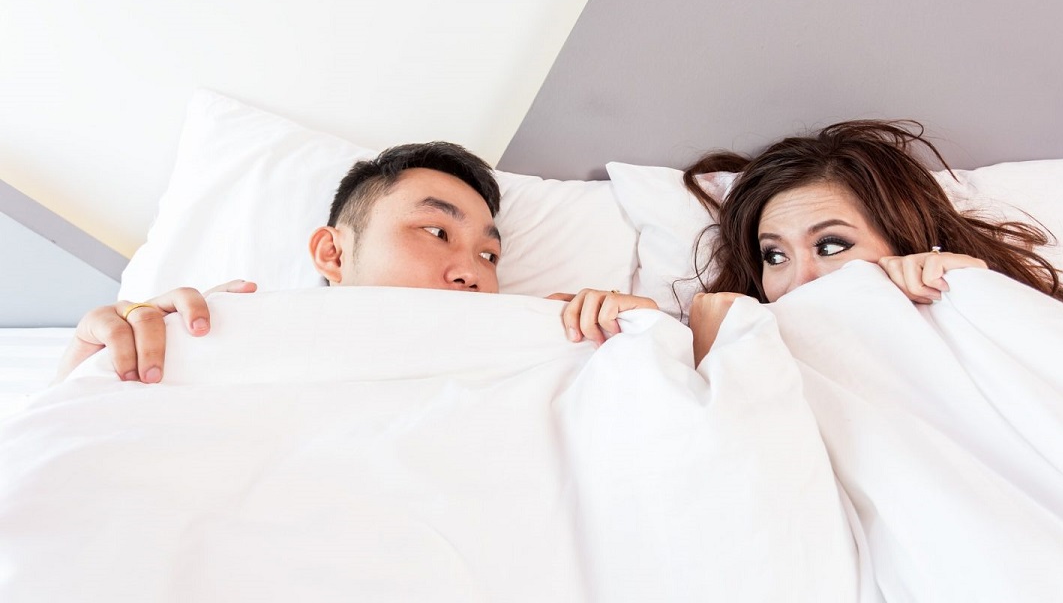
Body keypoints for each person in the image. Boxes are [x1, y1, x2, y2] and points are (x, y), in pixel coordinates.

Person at [58, 142, 656, 383]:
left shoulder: (538, 348)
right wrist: (91, 364)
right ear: (333, 253)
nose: (472, 271)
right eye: (435, 231)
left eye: (489, 254)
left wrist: (636, 338)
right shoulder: (223, 327)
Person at [683, 119, 1063, 363]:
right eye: (775, 255)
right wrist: (715, 352)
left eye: (830, 246)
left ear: (903, 242)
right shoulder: (749, 349)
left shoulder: (973, 320)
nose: (799, 281)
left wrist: (980, 294)